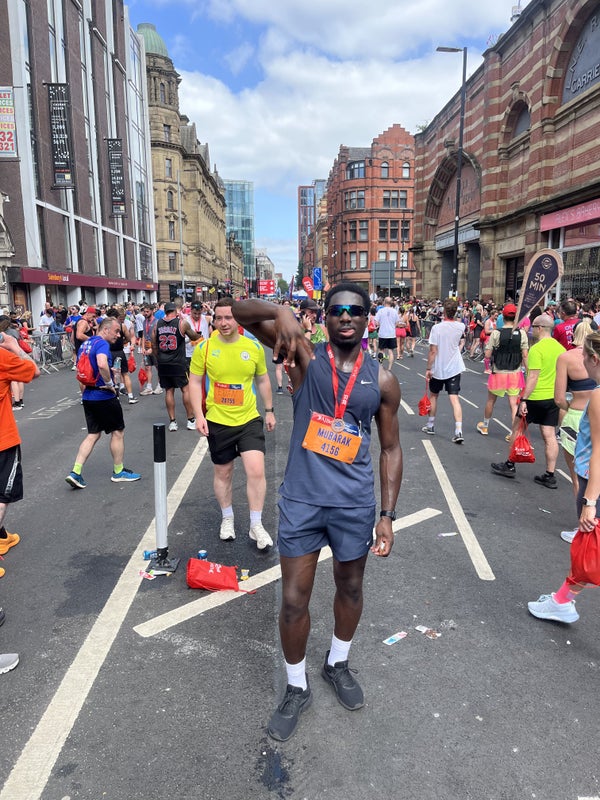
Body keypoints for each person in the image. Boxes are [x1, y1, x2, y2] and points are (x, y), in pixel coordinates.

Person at [230, 281, 402, 742]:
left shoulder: (383, 380)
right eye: (337, 310)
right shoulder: (303, 356)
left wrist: (387, 515)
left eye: (355, 311)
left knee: (351, 586)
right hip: (303, 501)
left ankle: (337, 663)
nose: (346, 317)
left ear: (368, 320)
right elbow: (239, 312)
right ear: (324, 317)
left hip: (353, 504)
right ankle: (296, 686)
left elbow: (391, 448)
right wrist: (280, 310)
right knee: (293, 600)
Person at [188, 298, 276, 549]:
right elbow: (195, 382)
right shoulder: (204, 348)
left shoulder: (253, 347)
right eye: (219, 318)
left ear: (238, 320)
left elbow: (262, 380)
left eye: (229, 317)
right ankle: (227, 518)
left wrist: (269, 410)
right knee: (223, 472)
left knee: (256, 471)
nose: (224, 323)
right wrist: (199, 415)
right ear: (214, 320)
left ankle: (256, 524)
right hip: (218, 421)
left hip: (248, 419)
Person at [528, 331, 600, 624]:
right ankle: (561, 600)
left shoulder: (598, 396)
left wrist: (590, 502)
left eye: (584, 356)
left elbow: (598, 452)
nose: (582, 361)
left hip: (592, 480)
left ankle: (561, 601)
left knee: (588, 547)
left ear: (594, 359)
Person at [65, 318, 141, 489]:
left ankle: (75, 471)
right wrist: (109, 383)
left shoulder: (86, 344)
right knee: (118, 432)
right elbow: (101, 363)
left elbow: (82, 367)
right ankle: (118, 471)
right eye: (116, 331)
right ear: (105, 330)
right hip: (103, 395)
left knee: (93, 434)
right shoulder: (102, 344)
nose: (118, 335)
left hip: (88, 395)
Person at [491, 313, 565, 486]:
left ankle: (510, 465)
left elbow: (533, 377)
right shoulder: (561, 349)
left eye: (534, 328)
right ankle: (550, 475)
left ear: (540, 328)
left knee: (517, 429)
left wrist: (523, 399)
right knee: (550, 435)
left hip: (534, 396)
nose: (532, 331)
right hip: (552, 398)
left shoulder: (536, 349)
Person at [0, 329, 39, 579]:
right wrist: (15, 346)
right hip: (2, 439)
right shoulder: (2, 356)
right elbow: (33, 371)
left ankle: (2, 536)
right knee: (2, 495)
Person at [553, 318, 595, 543]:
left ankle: (583, 526)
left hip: (576, 416)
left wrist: (570, 409)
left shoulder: (566, 358)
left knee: (579, 474)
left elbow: (559, 398)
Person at [476, 303, 528, 436]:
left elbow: (487, 355)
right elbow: (525, 355)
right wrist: (528, 373)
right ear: (515, 317)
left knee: (491, 400)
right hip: (515, 372)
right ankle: (514, 433)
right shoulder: (522, 333)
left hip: (498, 371)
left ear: (503, 317)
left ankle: (485, 426)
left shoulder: (496, 333)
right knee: (514, 404)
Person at [152, 301, 202, 431]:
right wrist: (199, 334)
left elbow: (154, 345)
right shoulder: (181, 323)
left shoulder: (157, 324)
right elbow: (193, 337)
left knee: (169, 391)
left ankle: (173, 422)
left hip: (164, 363)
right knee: (185, 390)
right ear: (175, 311)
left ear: (165, 312)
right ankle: (190, 419)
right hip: (178, 362)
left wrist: (159, 358)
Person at [422, 297, 465, 443]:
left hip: (438, 368)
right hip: (454, 367)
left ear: (444, 311)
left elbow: (433, 351)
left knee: (434, 396)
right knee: (454, 398)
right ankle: (458, 431)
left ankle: (430, 425)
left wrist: (428, 368)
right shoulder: (461, 327)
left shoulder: (437, 328)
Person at [140, 305, 162, 396]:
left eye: (147, 311)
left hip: (155, 348)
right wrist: (142, 347)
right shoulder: (144, 321)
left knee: (157, 367)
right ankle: (149, 387)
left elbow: (158, 337)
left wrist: (152, 348)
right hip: (146, 347)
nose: (145, 313)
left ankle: (160, 385)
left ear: (152, 311)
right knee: (147, 367)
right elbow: (144, 335)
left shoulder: (157, 322)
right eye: (144, 311)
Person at [375, 296, 399, 368]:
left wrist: (380, 325)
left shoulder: (381, 311)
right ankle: (389, 368)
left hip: (382, 333)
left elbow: (376, 322)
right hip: (391, 334)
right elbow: (397, 323)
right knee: (390, 351)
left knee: (381, 350)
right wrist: (392, 326)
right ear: (391, 303)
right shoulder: (394, 311)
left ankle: (381, 365)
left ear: (384, 302)